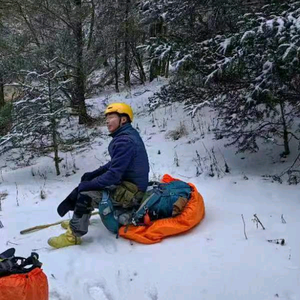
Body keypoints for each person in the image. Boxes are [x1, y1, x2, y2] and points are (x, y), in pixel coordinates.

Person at [48, 103, 150, 248]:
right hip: (129, 185)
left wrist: (86, 185)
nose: (107, 121)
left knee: (85, 194)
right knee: (89, 181)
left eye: (112, 117)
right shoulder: (127, 136)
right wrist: (93, 174)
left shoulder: (124, 141)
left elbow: (114, 175)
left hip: (132, 193)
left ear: (123, 120)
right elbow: (115, 164)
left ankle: (73, 236)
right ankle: (81, 219)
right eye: (106, 118)